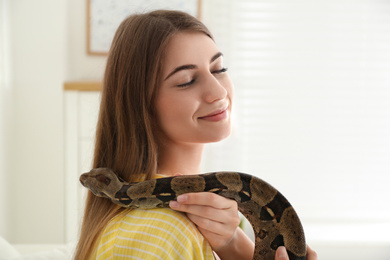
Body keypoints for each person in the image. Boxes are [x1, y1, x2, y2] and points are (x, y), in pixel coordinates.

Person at [75, 10, 317, 260]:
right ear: (140, 105)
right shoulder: (158, 235)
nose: (218, 91)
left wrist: (233, 244)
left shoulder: (215, 219)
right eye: (187, 80)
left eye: (219, 68)